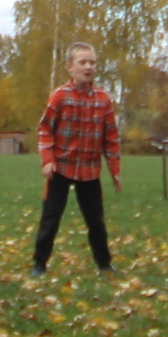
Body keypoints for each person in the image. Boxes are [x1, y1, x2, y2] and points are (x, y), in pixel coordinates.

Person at [31, 42, 122, 274]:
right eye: (83, 62)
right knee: (51, 218)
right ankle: (39, 263)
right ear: (70, 67)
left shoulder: (103, 99)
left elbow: (111, 138)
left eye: (92, 62)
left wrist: (115, 171)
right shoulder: (61, 96)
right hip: (61, 168)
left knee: (96, 221)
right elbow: (44, 130)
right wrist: (47, 160)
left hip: (90, 171)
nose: (88, 67)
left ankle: (104, 264)